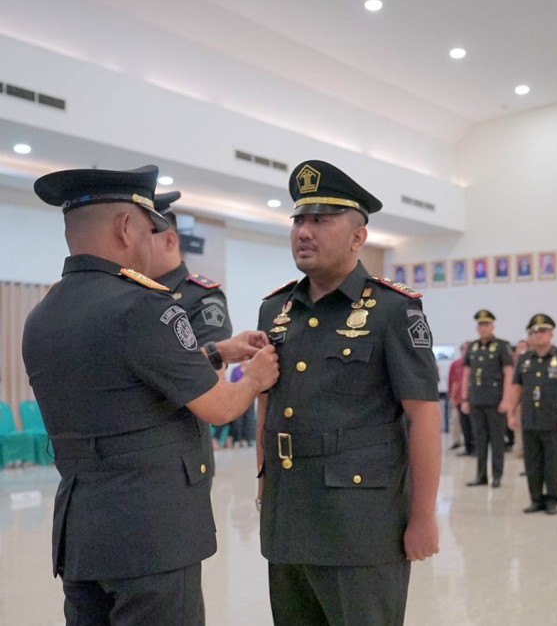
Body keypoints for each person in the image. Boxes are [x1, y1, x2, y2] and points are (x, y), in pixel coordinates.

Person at [22, 165, 280, 624]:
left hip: (81, 534)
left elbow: (126, 380)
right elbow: (219, 408)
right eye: (147, 228)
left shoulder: (42, 315)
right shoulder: (144, 304)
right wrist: (257, 377)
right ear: (125, 228)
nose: (149, 242)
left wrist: (217, 351)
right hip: (151, 537)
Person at [256, 160, 440, 626]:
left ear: (358, 237)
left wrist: (422, 516)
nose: (304, 232)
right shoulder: (275, 309)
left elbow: (422, 415)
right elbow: (267, 403)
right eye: (299, 219)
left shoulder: (393, 309)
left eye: (321, 220)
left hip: (361, 524)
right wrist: (263, 484)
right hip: (289, 516)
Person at [150, 191, 234, 475]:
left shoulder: (200, 298)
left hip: (179, 454)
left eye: (141, 237)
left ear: (169, 240)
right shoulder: (126, 294)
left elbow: (207, 379)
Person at [507, 314, 557, 515]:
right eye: (534, 332)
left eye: (542, 331)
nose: (538, 335)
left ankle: (552, 498)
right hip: (529, 419)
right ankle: (536, 498)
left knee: (553, 462)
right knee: (532, 462)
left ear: (551, 334)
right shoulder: (523, 360)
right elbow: (516, 388)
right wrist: (511, 414)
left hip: (554, 420)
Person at [461, 310, 513, 488]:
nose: (483, 328)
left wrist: (507, 399)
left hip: (495, 401)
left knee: (497, 440)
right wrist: (464, 399)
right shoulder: (472, 347)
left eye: (486, 325)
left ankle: (497, 475)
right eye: (480, 325)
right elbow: (466, 374)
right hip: (476, 401)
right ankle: (480, 475)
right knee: (480, 439)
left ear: (492, 326)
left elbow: (508, 374)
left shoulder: (501, 346)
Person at [449, 341, 473, 455]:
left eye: (467, 348)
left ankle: (476, 449)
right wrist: (452, 397)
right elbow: (452, 382)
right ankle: (468, 448)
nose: (465, 351)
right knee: (464, 425)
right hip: (460, 399)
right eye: (463, 349)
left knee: (474, 425)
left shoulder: (476, 363)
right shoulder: (456, 364)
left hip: (474, 400)